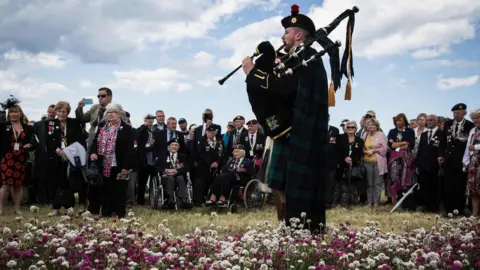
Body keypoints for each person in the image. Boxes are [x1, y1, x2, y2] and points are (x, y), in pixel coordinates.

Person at [242, 4, 330, 233]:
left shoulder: (308, 57)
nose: (283, 36)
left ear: (298, 35)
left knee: (297, 186)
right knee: (280, 184)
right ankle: (286, 225)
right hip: (288, 131)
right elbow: (277, 84)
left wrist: (253, 73)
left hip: (300, 133)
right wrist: (265, 61)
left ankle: (300, 227)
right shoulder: (296, 57)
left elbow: (284, 89)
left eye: (287, 33)